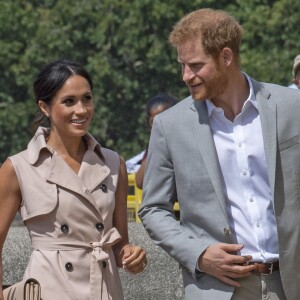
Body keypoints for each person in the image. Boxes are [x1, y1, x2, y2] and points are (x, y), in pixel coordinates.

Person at [139, 8, 300, 300]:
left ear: (226, 57)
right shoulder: (169, 126)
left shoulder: (293, 106)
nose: (186, 76)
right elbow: (152, 209)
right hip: (218, 289)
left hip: (291, 282)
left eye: (196, 65)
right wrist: (199, 254)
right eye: (183, 65)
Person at [0, 60, 147, 300]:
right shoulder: (18, 167)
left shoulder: (113, 162)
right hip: (48, 290)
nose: (81, 110)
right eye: (69, 101)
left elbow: (120, 244)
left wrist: (132, 255)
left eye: (87, 98)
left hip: (104, 289)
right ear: (44, 107)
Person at [135, 93, 177, 189]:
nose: (159, 126)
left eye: (164, 120)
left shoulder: (188, 140)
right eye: (154, 122)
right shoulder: (155, 147)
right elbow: (140, 181)